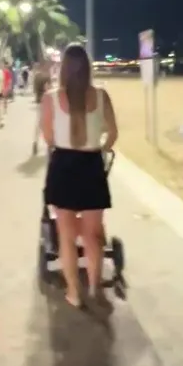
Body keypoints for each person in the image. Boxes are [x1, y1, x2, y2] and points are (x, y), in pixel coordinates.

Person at [40, 43, 118, 308]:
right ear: (87, 67)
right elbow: (113, 134)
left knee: (66, 236)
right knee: (93, 235)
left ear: (63, 68)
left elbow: (48, 137)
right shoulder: (101, 96)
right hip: (91, 165)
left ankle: (73, 291)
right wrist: (100, 148)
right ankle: (95, 287)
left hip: (63, 164)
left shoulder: (50, 98)